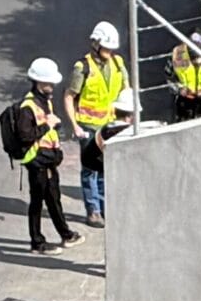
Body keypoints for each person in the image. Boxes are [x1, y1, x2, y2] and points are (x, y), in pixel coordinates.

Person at [10, 58, 80, 253]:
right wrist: (47, 125)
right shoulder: (28, 107)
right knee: (37, 201)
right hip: (37, 161)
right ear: (38, 82)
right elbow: (25, 136)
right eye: (48, 83)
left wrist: (52, 126)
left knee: (53, 198)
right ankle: (38, 242)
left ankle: (65, 235)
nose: (51, 86)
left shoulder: (44, 102)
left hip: (47, 159)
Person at [65, 20, 128, 172]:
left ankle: (103, 197)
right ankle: (93, 197)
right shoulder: (82, 67)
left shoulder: (118, 63)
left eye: (111, 48)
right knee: (90, 169)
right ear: (96, 44)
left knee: (106, 167)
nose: (110, 51)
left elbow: (126, 91)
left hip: (110, 124)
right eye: (106, 48)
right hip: (88, 126)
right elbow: (69, 96)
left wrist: (126, 117)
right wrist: (75, 126)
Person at [80, 87, 133, 227]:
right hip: (93, 158)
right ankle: (95, 212)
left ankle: (104, 210)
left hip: (96, 156)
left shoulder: (110, 127)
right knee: (95, 177)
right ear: (131, 116)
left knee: (103, 178)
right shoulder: (120, 130)